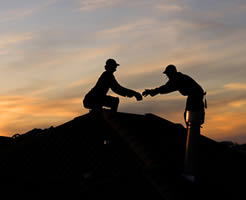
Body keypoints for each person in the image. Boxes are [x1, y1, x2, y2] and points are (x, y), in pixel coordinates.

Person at [142, 64, 206, 124]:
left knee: (191, 115)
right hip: (195, 95)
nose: (167, 76)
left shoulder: (177, 79)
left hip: (195, 95)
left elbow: (165, 88)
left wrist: (151, 92)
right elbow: (165, 88)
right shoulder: (177, 78)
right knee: (190, 115)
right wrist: (152, 92)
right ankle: (191, 130)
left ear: (171, 73)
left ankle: (191, 132)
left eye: (167, 74)